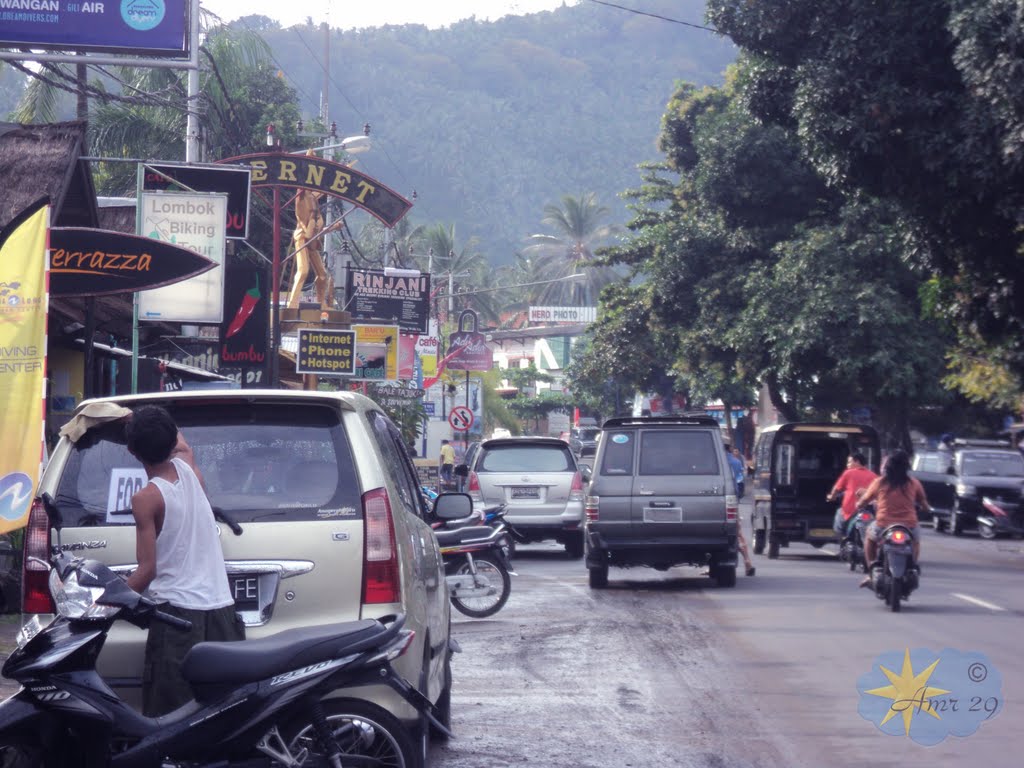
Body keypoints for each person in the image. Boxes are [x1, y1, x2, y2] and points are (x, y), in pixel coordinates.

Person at [124, 405, 244, 716]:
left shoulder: (145, 499)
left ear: (132, 452)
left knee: (171, 719)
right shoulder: (191, 470)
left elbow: (147, 570)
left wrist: (105, 605)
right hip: (222, 612)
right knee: (221, 714)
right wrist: (143, 420)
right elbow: (182, 444)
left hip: (177, 619)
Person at [855, 449, 928, 588]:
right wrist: (924, 509)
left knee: (869, 540)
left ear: (888, 465)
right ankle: (912, 566)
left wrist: (859, 504)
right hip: (909, 525)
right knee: (915, 541)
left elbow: (864, 500)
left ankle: (871, 570)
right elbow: (924, 505)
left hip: (883, 524)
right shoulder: (914, 483)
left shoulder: (880, 482)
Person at [826, 452, 878, 538]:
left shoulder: (848, 473)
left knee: (838, 524)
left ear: (857, 462)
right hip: (868, 509)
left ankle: (843, 539)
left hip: (850, 508)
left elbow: (836, 488)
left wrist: (832, 497)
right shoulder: (874, 476)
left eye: (849, 462)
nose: (847, 465)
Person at [724, 445, 755, 576]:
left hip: (716, 499)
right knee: (737, 532)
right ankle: (747, 561)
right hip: (732, 501)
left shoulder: (715, 460)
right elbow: (740, 483)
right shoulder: (736, 462)